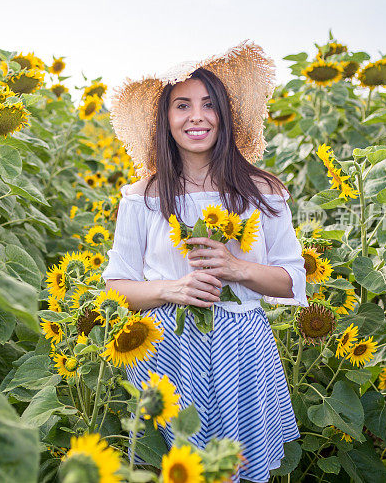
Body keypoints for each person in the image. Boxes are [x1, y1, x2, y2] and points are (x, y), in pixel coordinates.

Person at [102, 40, 308, 483]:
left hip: (241, 349)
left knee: (237, 468)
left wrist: (238, 268)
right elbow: (117, 283)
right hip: (166, 352)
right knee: (171, 469)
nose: (197, 116)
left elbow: (292, 280)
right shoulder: (143, 197)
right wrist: (169, 289)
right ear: (165, 119)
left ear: (226, 115)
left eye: (209, 104)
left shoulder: (261, 191)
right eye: (182, 105)